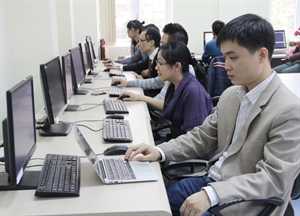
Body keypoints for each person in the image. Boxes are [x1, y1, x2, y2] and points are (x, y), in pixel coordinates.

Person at [124, 13, 300, 216]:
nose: (226, 65)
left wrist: (212, 194)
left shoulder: (288, 110)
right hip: (212, 180)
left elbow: (273, 179)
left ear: (261, 55)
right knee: (153, 202)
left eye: (233, 57)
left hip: (244, 201)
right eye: (225, 57)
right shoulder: (232, 95)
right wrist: (160, 151)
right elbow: (202, 136)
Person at [120, 41, 212, 143]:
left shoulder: (194, 93)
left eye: (160, 63)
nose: (156, 67)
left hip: (182, 152)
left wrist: (160, 152)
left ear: (177, 66)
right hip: (174, 142)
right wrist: (139, 97)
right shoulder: (174, 84)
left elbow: (193, 143)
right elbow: (168, 105)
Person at [111, 23, 191, 100]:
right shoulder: (170, 67)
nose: (157, 67)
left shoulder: (181, 72)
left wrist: (139, 98)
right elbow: (155, 82)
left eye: (163, 44)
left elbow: (163, 103)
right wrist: (128, 83)